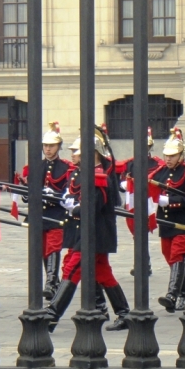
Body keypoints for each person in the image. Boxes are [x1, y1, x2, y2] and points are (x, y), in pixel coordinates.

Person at [47, 126, 130, 333]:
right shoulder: (83, 172)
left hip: (94, 234)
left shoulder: (98, 175)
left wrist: (74, 207)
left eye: (79, 151)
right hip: (84, 233)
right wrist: (67, 200)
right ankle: (125, 314)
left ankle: (51, 315)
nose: (74, 155)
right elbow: (76, 195)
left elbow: (92, 208)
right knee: (103, 274)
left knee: (73, 269)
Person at [18, 122, 75, 300]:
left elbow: (69, 191)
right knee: (43, 249)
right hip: (39, 214)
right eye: (46, 146)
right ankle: (53, 281)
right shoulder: (36, 166)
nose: (48, 149)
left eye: (51, 146)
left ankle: (50, 282)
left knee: (53, 247)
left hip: (57, 213)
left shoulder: (66, 168)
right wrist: (28, 194)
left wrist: (54, 194)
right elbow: (28, 194)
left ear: (59, 146)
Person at [150, 127, 185, 313]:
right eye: (166, 155)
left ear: (181, 155)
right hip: (165, 222)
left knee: (177, 255)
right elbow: (150, 186)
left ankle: (172, 295)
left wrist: (171, 201)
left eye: (173, 156)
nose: (168, 159)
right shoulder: (160, 172)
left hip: (183, 221)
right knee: (170, 257)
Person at [117, 127, 164, 277]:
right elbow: (123, 180)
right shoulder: (131, 163)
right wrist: (124, 185)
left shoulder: (156, 164)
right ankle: (143, 263)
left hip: (149, 201)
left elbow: (159, 182)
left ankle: (143, 263)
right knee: (137, 234)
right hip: (134, 201)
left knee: (142, 233)